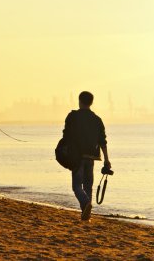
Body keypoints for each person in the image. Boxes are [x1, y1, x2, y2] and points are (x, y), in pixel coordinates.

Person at [62, 91, 111, 221]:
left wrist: (64, 152)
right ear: (91, 102)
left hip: (77, 156)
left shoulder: (72, 117)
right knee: (88, 186)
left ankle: (85, 204)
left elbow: (66, 136)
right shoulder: (97, 120)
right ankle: (86, 214)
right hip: (91, 157)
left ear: (79, 101)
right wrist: (106, 160)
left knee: (76, 186)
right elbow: (102, 141)